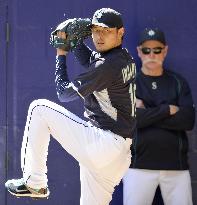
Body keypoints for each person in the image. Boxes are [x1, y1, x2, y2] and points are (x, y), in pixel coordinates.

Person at [5, 8, 136, 205]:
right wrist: (75, 43)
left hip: (105, 144)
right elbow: (93, 63)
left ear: (121, 32)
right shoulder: (124, 58)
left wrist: (61, 53)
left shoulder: (107, 65)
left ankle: (35, 182)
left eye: (106, 31)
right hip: (118, 156)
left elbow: (64, 93)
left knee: (39, 109)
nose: (99, 36)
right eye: (95, 30)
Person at [123, 28, 195, 205]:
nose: (152, 54)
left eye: (157, 49)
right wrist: (166, 110)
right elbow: (131, 121)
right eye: (147, 50)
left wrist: (146, 111)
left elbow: (188, 120)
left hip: (176, 168)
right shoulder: (130, 83)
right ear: (139, 52)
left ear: (165, 51)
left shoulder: (178, 82)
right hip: (137, 167)